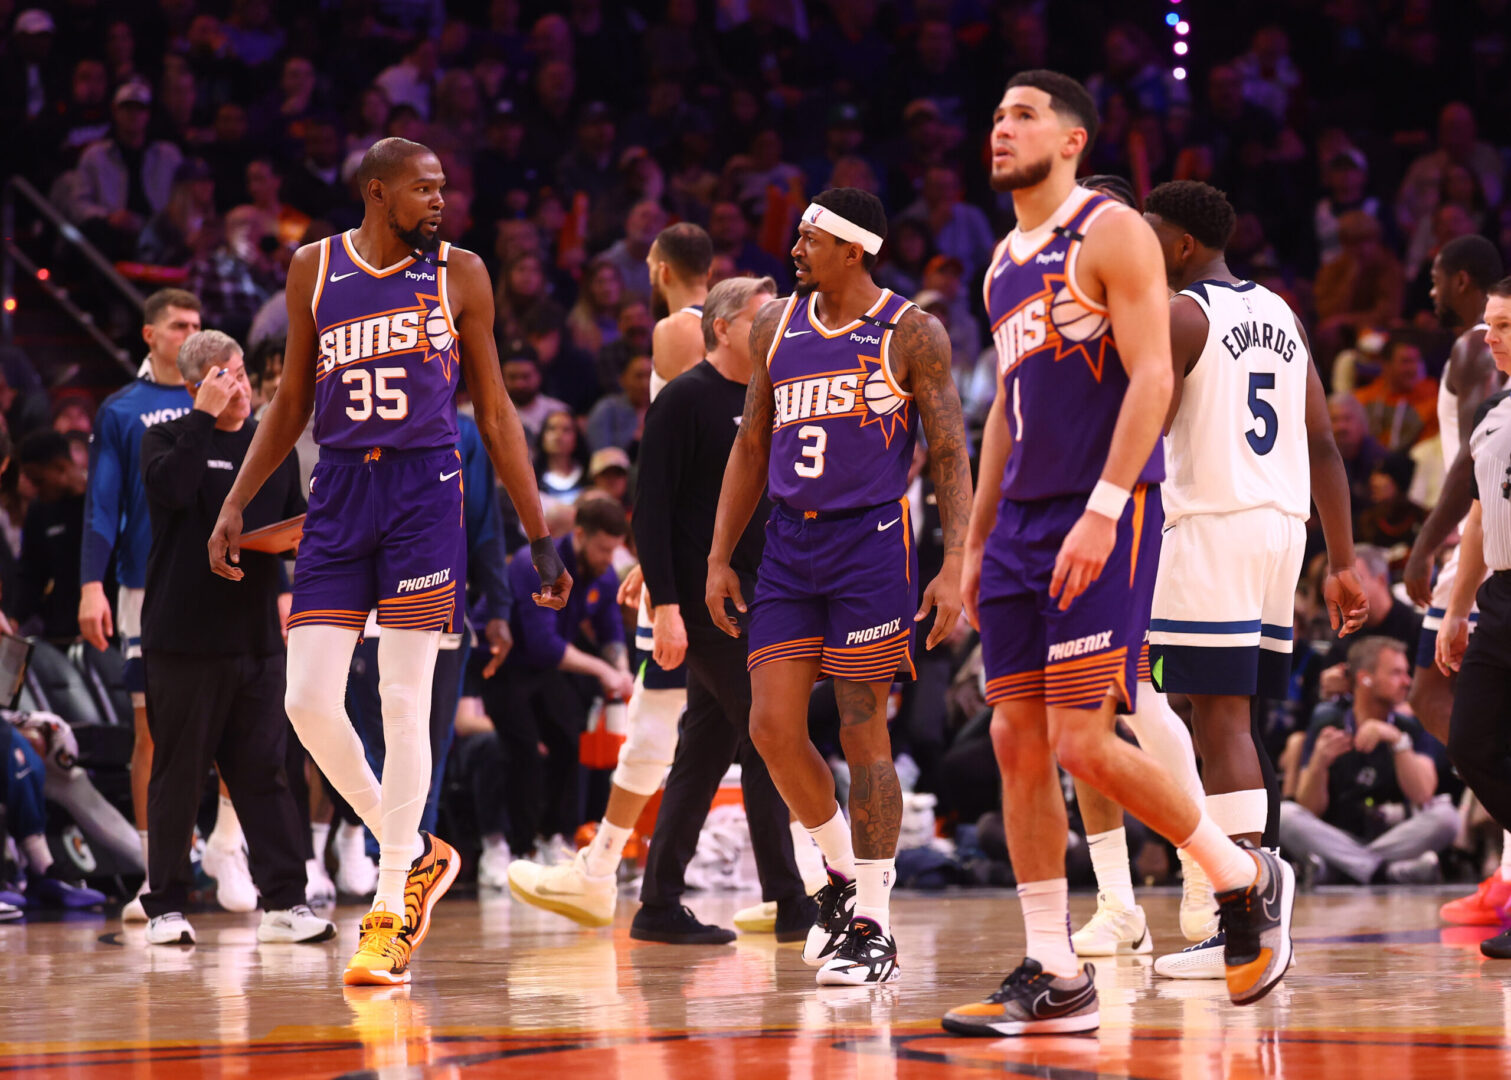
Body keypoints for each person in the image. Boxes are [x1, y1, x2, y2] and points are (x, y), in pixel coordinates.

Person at [943, 71, 1297, 1038]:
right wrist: (972, 541)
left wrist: (1104, 506)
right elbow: (1006, 418)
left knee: (1081, 739)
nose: (1000, 128)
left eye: (1022, 115)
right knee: (1016, 742)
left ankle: (1239, 873)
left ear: (1071, 139)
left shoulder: (1109, 231)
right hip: (1017, 525)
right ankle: (1055, 970)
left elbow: (1151, 375)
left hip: (1104, 511)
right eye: (995, 114)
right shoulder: (998, 268)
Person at [208, 137, 570, 988]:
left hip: (422, 493)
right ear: (377, 193)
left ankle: (388, 904)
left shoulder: (462, 274)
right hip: (336, 490)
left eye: (444, 187)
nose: (440, 200)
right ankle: (416, 851)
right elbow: (292, 399)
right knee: (306, 700)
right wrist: (236, 502)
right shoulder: (314, 268)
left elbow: (496, 411)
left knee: (406, 703)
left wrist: (536, 532)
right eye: (423, 188)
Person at [707, 186, 973, 985]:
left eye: (809, 238)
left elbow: (952, 453)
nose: (794, 249)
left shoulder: (910, 332)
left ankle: (875, 923)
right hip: (788, 545)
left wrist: (953, 563)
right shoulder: (775, 324)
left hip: (869, 547)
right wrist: (720, 555)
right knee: (772, 729)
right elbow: (751, 447)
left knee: (864, 734)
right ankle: (838, 875)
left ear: (852, 250)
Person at [511, 276, 817, 942]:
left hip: (757, 593)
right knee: (770, 736)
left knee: (704, 749)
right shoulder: (683, 399)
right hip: (704, 599)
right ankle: (794, 901)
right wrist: (668, 605)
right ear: (724, 327)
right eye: (760, 316)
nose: (772, 327)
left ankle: (657, 904)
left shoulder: (767, 396)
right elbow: (648, 515)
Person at [1141, 179, 1366, 980]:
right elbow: (1324, 446)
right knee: (1219, 716)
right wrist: (1340, 562)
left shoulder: (1182, 314)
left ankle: (1244, 911)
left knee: (1213, 719)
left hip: (1211, 523)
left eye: (1146, 232)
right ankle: (1250, 883)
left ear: (1179, 246)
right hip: (1280, 530)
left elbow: (1139, 425)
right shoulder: (1280, 313)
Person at [1045, 174, 1209, 964]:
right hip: (1057, 518)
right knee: (1081, 718)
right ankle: (1116, 903)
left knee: (1139, 699)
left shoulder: (1148, 307)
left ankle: (1206, 868)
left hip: (1134, 517)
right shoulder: (1050, 300)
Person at [138, 329, 333, 948]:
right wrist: (201, 418)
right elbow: (171, 491)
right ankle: (165, 905)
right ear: (196, 386)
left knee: (267, 772)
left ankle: (286, 902)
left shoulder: (269, 447)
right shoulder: (166, 438)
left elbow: (298, 519)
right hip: (183, 639)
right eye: (224, 377)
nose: (240, 387)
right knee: (180, 773)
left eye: (243, 373)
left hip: (256, 639)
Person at [75, 290, 251, 922]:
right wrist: (91, 584)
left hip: (225, 579)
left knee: (238, 718)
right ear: (150, 336)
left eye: (199, 325)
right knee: (152, 731)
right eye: (179, 325)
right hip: (145, 585)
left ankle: (229, 843)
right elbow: (103, 503)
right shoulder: (123, 410)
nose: (190, 333)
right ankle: (158, 872)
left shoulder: (232, 395)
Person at [1401, 235, 1509, 926]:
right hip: (1488, 547)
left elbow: (1468, 473)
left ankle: (1503, 869)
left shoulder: (1472, 346)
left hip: (1479, 537)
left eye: (1436, 281)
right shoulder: (1488, 373)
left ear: (1459, 279)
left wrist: (1423, 545)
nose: (1430, 294)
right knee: (1454, 710)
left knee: (1431, 689)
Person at [1437, 276, 1511, 959]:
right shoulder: (1493, 412)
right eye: (1489, 324)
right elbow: (1480, 516)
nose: (1488, 336)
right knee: (1471, 743)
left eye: (1504, 325)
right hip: (1500, 598)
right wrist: (1455, 610)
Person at [497, 498, 633, 859]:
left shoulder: (603, 577)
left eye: (615, 549)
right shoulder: (538, 565)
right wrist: (604, 670)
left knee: (571, 743)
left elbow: (611, 633)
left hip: (545, 671)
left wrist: (620, 669)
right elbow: (544, 645)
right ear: (579, 535)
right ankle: (517, 849)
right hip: (503, 664)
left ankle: (553, 836)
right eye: (603, 548)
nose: (609, 558)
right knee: (524, 750)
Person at [1280, 637, 1456, 886]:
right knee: (1285, 815)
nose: (1407, 682)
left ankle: (1339, 869)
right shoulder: (1328, 720)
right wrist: (1319, 763)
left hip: (1394, 836)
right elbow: (1309, 808)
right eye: (1396, 673)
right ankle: (1388, 872)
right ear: (1365, 677)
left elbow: (1423, 794)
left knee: (1447, 817)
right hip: (1337, 832)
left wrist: (1397, 741)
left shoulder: (1411, 726)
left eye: (1406, 673)